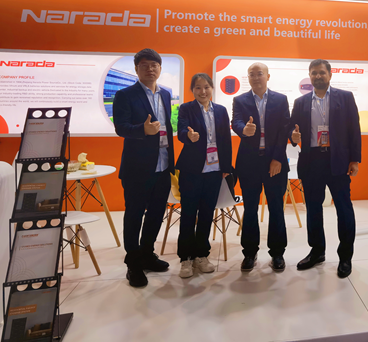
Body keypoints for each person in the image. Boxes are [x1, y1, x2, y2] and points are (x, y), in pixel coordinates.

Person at [290, 59, 361, 278]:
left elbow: (354, 129)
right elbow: (292, 130)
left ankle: (345, 256)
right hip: (311, 161)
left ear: (330, 74)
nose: (317, 76)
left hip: (338, 160)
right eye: (314, 73)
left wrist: (355, 160)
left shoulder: (345, 97)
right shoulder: (300, 102)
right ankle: (317, 251)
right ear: (309, 76)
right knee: (313, 208)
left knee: (344, 208)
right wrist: (293, 137)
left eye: (321, 72)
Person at [113, 48, 174, 288]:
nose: (150, 69)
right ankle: (134, 264)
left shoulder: (166, 94)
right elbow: (121, 127)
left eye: (154, 65)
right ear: (136, 69)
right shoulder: (125, 95)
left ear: (160, 68)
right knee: (134, 214)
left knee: (157, 213)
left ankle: (147, 253)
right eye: (145, 65)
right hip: (137, 168)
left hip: (163, 164)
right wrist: (142, 130)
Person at [231, 62, 291, 272]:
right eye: (251, 74)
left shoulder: (280, 100)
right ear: (248, 77)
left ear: (268, 76)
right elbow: (236, 122)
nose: (256, 78)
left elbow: (284, 130)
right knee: (250, 209)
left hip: (274, 161)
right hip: (249, 163)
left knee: (276, 208)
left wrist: (277, 158)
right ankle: (249, 253)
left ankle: (277, 253)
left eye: (259, 74)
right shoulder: (240, 100)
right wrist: (243, 129)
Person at [175, 73, 233, 278]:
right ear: (192, 90)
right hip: (192, 170)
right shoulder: (186, 108)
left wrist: (226, 166)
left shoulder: (221, 110)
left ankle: (202, 255)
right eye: (198, 87)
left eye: (206, 87)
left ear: (212, 88)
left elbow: (226, 139)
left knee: (207, 214)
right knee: (189, 214)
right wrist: (188, 136)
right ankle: (185, 258)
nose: (203, 91)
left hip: (214, 170)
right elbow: (181, 130)